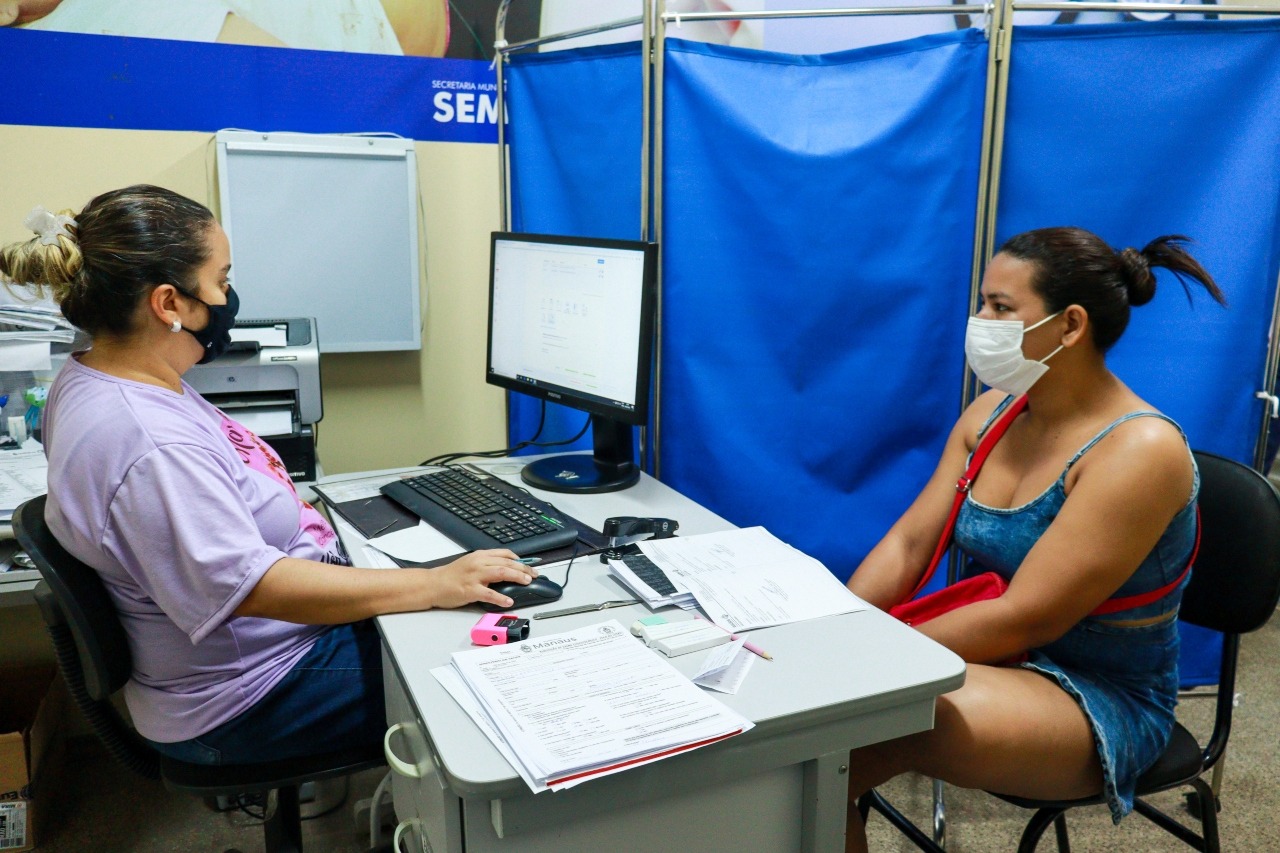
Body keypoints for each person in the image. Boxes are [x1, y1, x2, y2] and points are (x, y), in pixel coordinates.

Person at [0, 185, 538, 764]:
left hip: (249, 654)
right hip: (247, 693)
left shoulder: (98, 374)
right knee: (491, 670)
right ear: (169, 304)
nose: (229, 296)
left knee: (460, 614)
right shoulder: (148, 441)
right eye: (221, 280)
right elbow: (251, 588)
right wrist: (433, 584)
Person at [843, 227, 1226, 852]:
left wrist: (874, 658)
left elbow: (1028, 616)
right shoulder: (993, 414)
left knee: (848, 736)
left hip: (1098, 696)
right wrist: (841, 627)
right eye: (982, 304)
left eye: (1000, 307)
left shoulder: (1140, 451)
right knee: (806, 746)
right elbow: (909, 545)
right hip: (1005, 661)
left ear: (1070, 325)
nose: (979, 320)